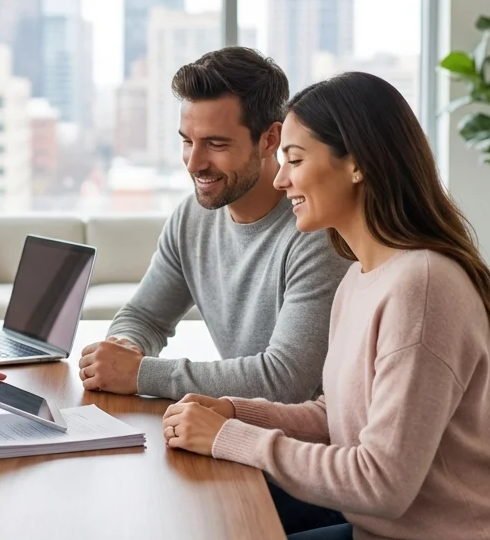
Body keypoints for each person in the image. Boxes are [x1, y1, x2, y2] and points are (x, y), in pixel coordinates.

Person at [161, 72, 490, 540]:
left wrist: (228, 439)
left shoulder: (423, 286)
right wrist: (235, 411)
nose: (281, 176)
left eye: (293, 157)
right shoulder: (363, 275)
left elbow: (380, 481)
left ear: (357, 163)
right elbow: (337, 417)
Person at [78, 47, 350, 403]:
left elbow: (286, 380)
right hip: (233, 427)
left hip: (308, 444)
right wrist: (123, 349)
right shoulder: (192, 218)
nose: (194, 163)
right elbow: (144, 316)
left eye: (215, 144)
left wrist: (140, 373)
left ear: (270, 139)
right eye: (187, 141)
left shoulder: (316, 232)